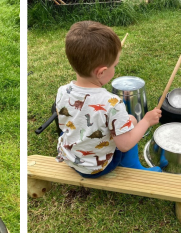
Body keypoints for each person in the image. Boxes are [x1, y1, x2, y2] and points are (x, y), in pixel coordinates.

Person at [55, 21, 164, 178]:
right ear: (101, 72)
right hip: (96, 167)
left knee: (129, 120)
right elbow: (125, 145)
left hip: (69, 156)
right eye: (115, 66)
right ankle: (133, 166)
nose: (115, 68)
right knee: (133, 122)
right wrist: (146, 121)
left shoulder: (62, 91)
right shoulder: (111, 103)